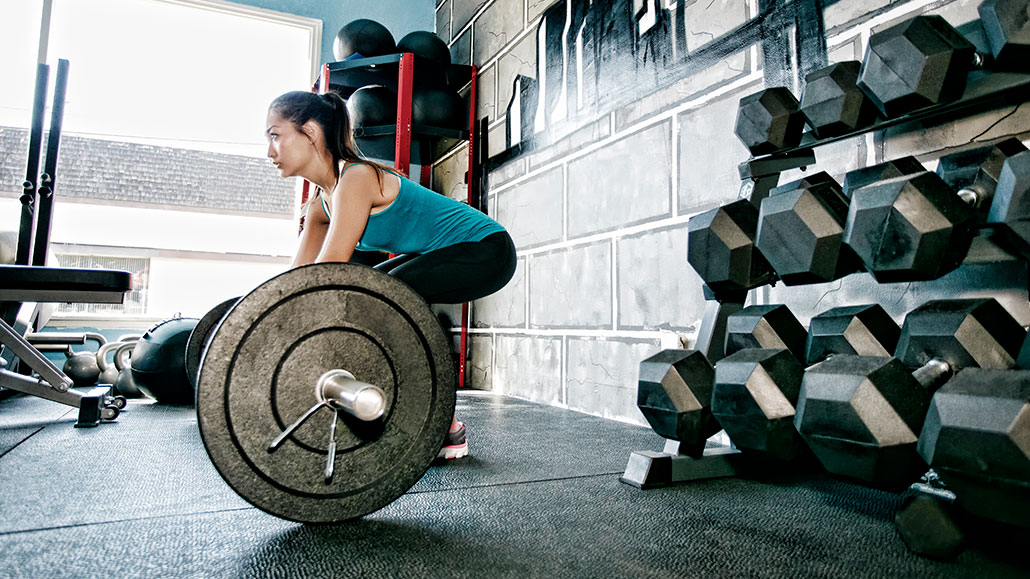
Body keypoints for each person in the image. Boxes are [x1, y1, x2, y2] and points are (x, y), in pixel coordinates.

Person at [266, 90, 516, 460]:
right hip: (441, 254)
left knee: (383, 300)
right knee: (374, 295)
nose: (269, 151)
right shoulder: (321, 204)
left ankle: (444, 426)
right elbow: (298, 284)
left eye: (275, 135)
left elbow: (331, 269)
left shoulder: (357, 177)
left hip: (486, 248)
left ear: (312, 133)